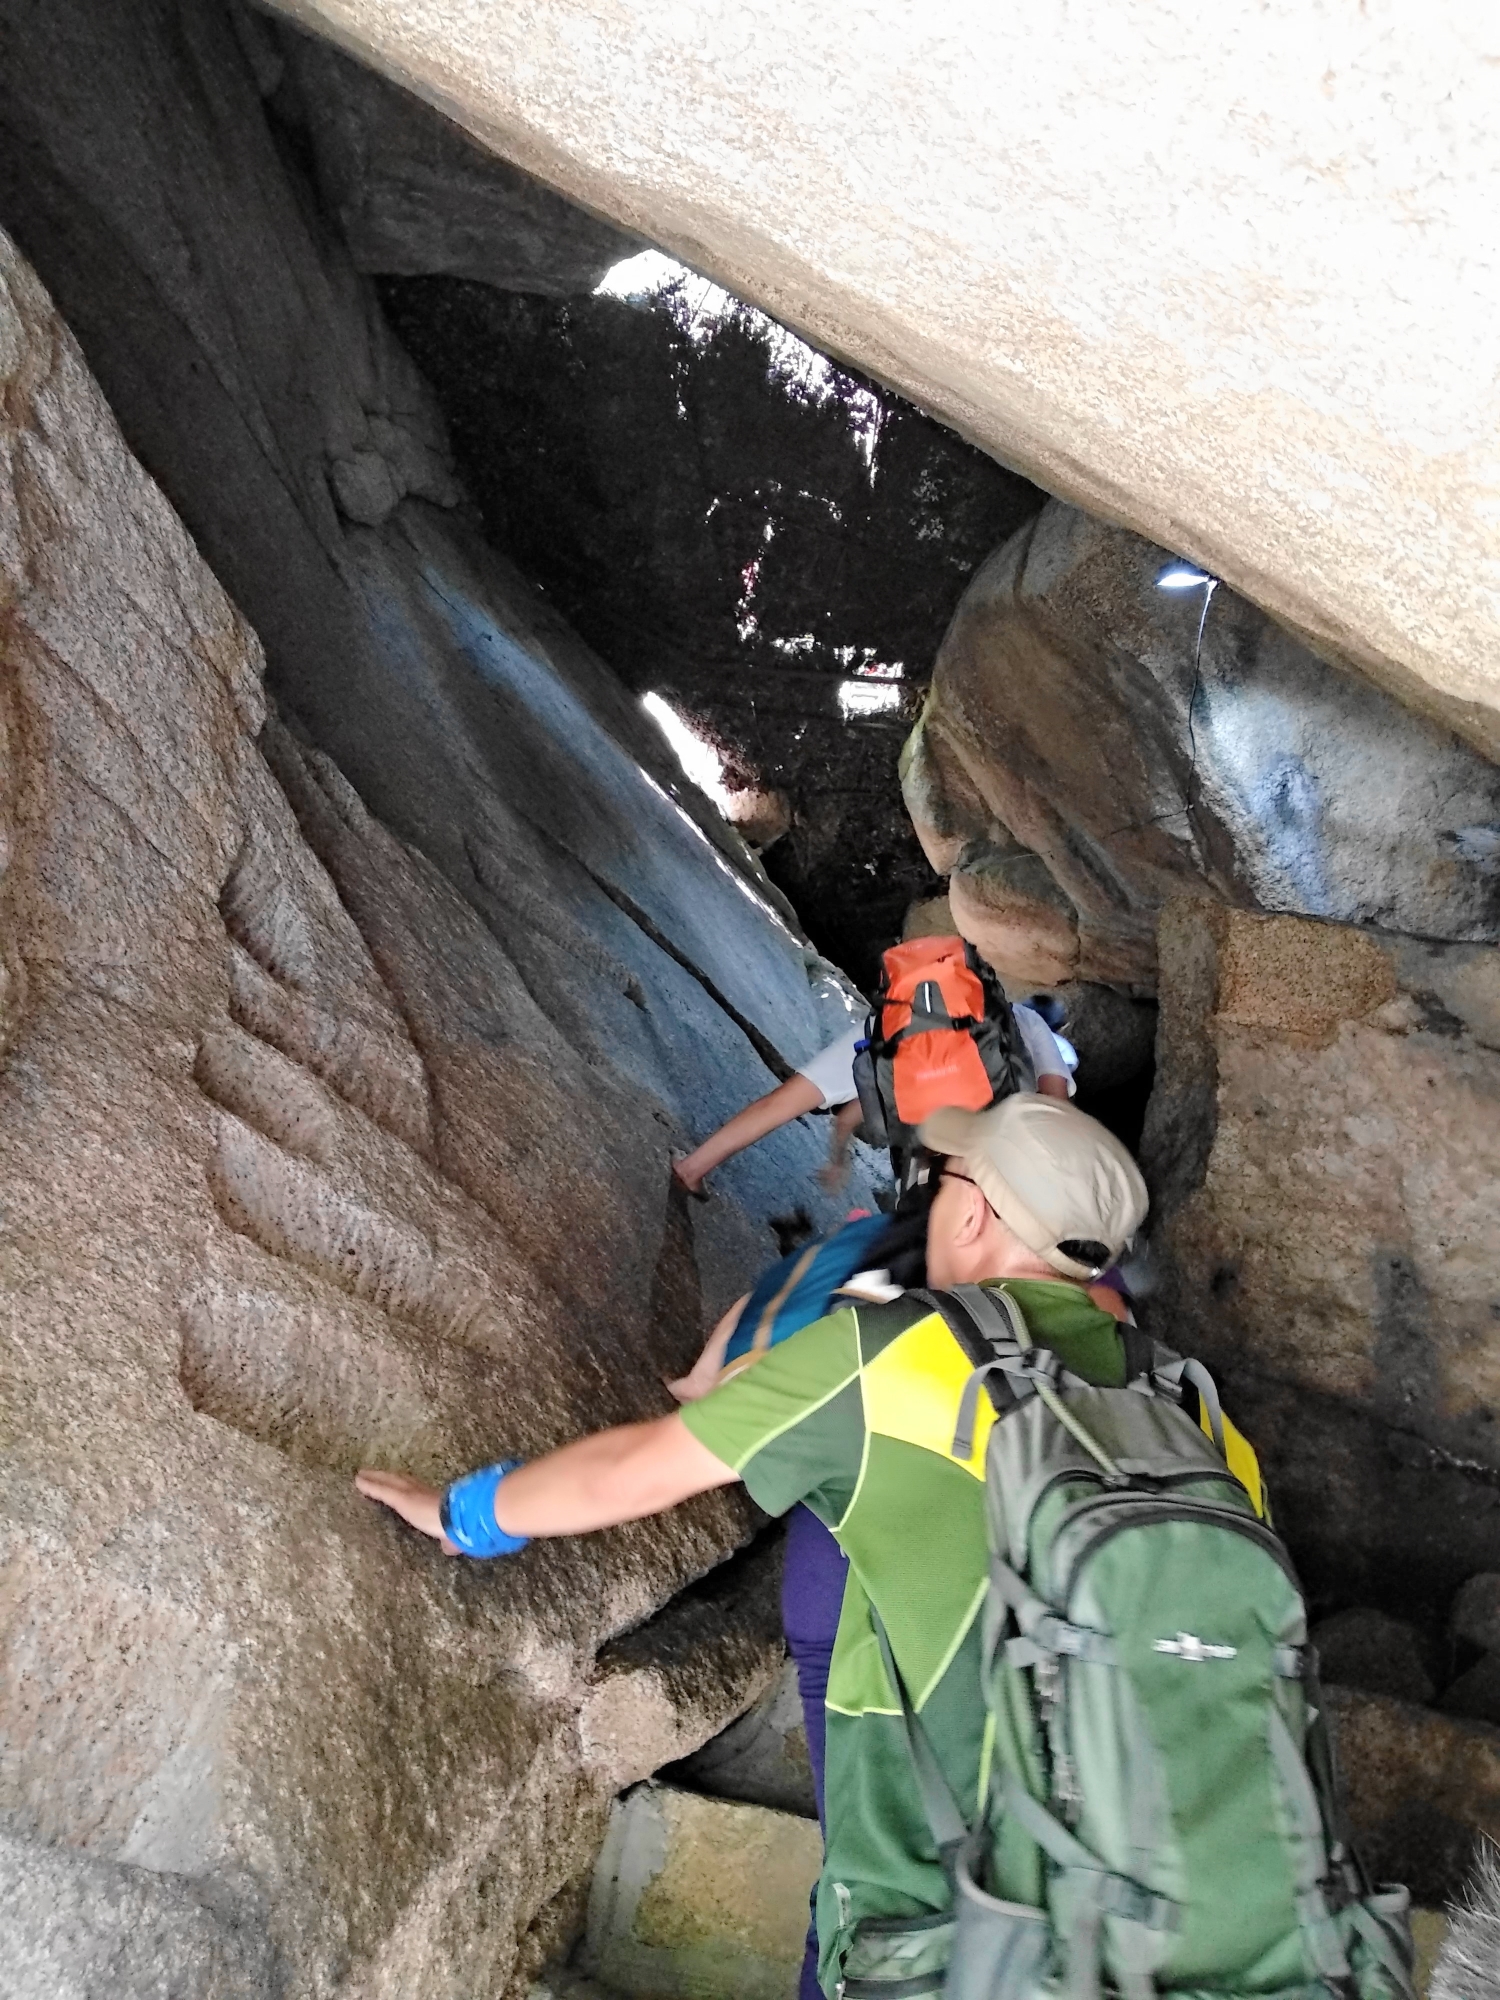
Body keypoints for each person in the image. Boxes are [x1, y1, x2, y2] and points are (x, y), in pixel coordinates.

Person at [357, 1095, 1150, 1998]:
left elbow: (638, 1469)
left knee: (861, 1925)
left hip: (947, 1906)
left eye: (945, 1182)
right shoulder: (1187, 1403)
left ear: (972, 1212)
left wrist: (464, 1514)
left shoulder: (900, 1351)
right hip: (1156, 1892)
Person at [671, 999, 1076, 1196]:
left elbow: (866, 1098)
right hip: (944, 1087)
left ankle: (692, 1167)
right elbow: (1055, 1105)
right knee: (937, 1177)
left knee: (785, 1100)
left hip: (891, 1028)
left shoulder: (970, 997)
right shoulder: (1035, 1028)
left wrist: (838, 1154)